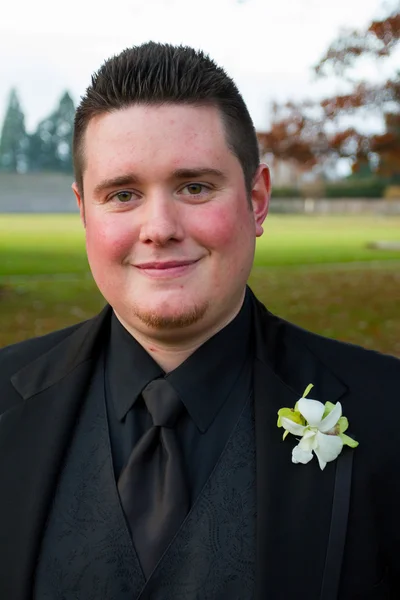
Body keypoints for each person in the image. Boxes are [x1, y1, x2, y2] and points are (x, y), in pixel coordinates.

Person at [0, 42, 399, 600]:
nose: (159, 227)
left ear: (257, 201)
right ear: (84, 211)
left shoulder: (389, 414)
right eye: (123, 194)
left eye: (194, 187)